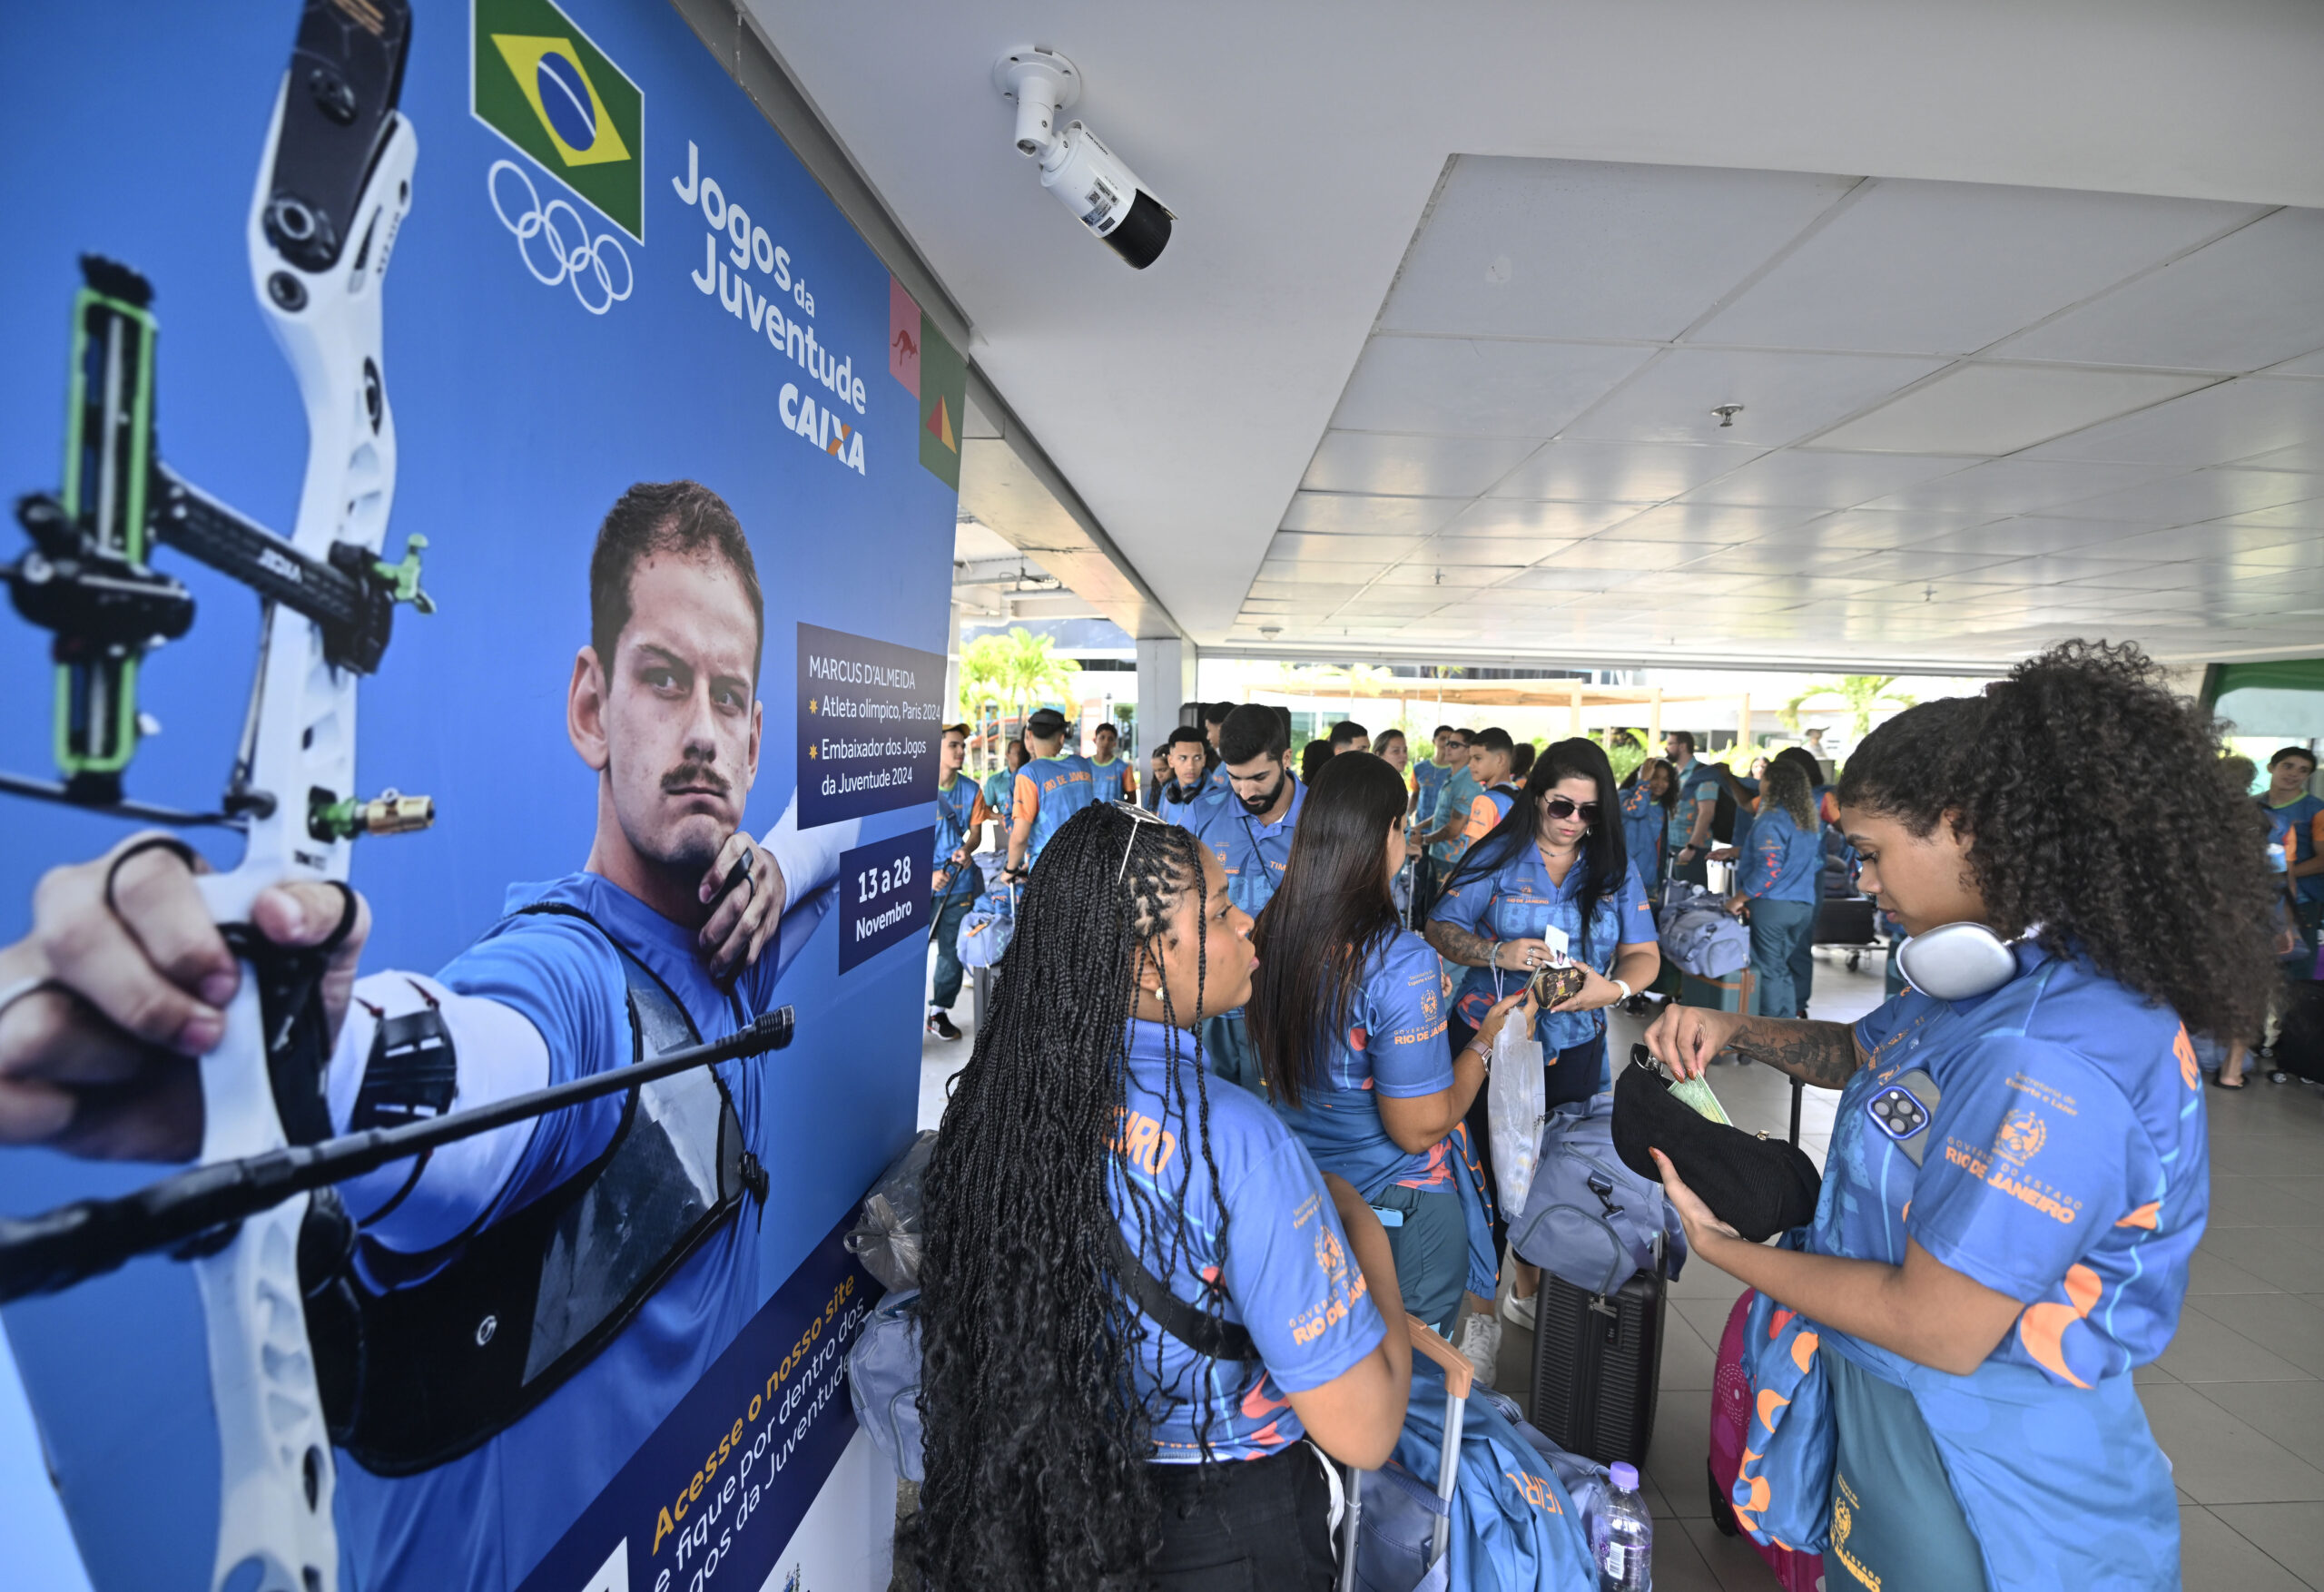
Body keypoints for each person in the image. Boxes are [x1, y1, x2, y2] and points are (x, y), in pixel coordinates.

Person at [0, 480, 847, 1587]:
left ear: (755, 733)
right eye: (662, 678)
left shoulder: (739, 929)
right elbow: (469, 1066)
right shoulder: (571, 979)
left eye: (729, 697)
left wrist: (783, 865)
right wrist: (297, 1047)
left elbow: (840, 819)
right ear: (591, 707)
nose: (700, 729)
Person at [1644, 641, 2278, 1592]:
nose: (1861, 882)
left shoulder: (2046, 1059)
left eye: (1870, 853)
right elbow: (1866, 1052)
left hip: (1985, 1455)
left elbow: (1937, 1324)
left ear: (1969, 827)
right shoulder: (1989, 977)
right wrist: (1736, 1026)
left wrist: (1722, 1247)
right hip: (1899, 1404)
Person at [905, 802, 1412, 1590]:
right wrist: (1363, 1235)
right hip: (1224, 1533)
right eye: (1219, 911)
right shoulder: (1235, 1139)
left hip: (1043, 1507)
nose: (1250, 927)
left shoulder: (999, 1103)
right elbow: (1366, 1430)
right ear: (1147, 960)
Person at [1248, 752, 1530, 1365]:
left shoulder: (1274, 929)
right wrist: (1484, 1042)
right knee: (1403, 1387)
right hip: (1397, 1212)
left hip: (1305, 1196)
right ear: (1387, 835)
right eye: (1402, 825)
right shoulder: (1399, 959)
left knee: (1325, 1369)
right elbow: (1418, 1125)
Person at [1426, 739, 1660, 1246]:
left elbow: (1645, 956)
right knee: (1485, 1171)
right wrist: (1496, 953)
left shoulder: (1614, 869)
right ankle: (1483, 1308)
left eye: (1588, 811)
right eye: (1561, 806)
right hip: (1489, 1038)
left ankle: (1529, 1288)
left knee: (1558, 1173)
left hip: (1576, 1042)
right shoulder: (1495, 857)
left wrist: (1614, 988)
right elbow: (1439, 927)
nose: (1573, 820)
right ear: (1537, 797)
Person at [1191, 705, 1309, 1093]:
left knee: (1281, 1107)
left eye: (1259, 777)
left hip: (1290, 1000)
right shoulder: (1203, 814)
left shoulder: (1322, 818)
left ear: (1286, 758)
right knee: (1211, 1102)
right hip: (1217, 999)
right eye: (1235, 778)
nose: (1246, 792)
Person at [1729, 757, 1820, 1021]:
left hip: (1773, 907)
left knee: (1767, 970)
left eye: (1765, 777)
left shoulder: (1771, 819)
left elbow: (1768, 871)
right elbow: (1789, 859)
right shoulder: (1805, 822)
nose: (1761, 781)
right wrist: (1736, 852)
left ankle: (1770, 1032)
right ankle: (1789, 1023)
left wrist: (1737, 899)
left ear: (1774, 783)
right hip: (1803, 905)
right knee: (1781, 968)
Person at [929, 721, 990, 1040]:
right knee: (908, 953)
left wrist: (966, 850)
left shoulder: (971, 790)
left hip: (958, 884)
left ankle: (938, 1012)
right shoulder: (909, 787)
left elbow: (977, 832)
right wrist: (927, 875)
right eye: (953, 745)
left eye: (962, 746)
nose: (961, 751)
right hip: (915, 884)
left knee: (951, 952)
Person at [1006, 707, 1096, 879]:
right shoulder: (1082, 765)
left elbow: (1020, 836)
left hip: (1049, 872)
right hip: (1087, 865)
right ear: (1062, 738)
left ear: (1030, 736)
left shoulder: (1029, 773)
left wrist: (1010, 870)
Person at [2264, 745, 2323, 961]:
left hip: (2302, 901)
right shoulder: (2251, 805)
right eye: (2287, 766)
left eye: (2302, 770)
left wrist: (2282, 876)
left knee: (2296, 967)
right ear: (2271, 767)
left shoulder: (2317, 810)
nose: (2294, 774)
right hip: (2256, 898)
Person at [1664, 730, 1721, 884]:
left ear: (1682, 746)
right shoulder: (1673, 773)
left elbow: (1707, 813)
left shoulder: (1703, 774)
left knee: (1691, 898)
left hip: (1692, 847)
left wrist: (1691, 847)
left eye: (1670, 743)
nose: (1666, 747)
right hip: (1672, 843)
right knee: (1671, 895)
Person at [1451, 727, 1521, 850]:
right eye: (1470, 758)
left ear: (1500, 759)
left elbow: (1473, 857)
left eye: (1477, 758)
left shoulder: (1485, 801)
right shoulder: (1518, 795)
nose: (1470, 764)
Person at [1620, 756, 1677, 895]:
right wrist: (1643, 782)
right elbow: (1637, 810)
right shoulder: (1623, 796)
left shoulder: (1661, 807)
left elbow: (1661, 846)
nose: (1660, 783)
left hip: (1648, 879)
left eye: (1666, 780)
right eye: (1654, 777)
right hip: (1620, 877)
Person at [1157, 725, 1219, 828]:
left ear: (1204, 760)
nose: (1191, 766)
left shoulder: (1216, 796)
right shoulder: (1167, 791)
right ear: (1171, 761)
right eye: (1183, 758)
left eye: (1197, 758)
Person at [982, 736, 1029, 837]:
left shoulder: (1032, 778)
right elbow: (985, 810)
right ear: (1007, 755)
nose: (1022, 757)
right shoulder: (995, 781)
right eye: (1018, 754)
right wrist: (1000, 817)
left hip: (1029, 828)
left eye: (1024, 754)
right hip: (1005, 829)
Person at [1087, 718, 1137, 805]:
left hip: (1114, 818)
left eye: (1110, 739)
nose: (1106, 742)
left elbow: (1132, 800)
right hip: (1089, 817)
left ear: (1114, 743)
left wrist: (1117, 814)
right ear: (1095, 740)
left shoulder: (1123, 768)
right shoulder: (1084, 765)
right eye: (1102, 738)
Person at [1200, 700, 1236, 799]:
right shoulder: (1224, 764)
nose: (1208, 737)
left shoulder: (1235, 765)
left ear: (1221, 728)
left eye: (1209, 730)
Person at [1144, 741, 1171, 811]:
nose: (1158, 775)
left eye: (1162, 770)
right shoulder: (1151, 793)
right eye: (1155, 771)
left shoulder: (1182, 791)